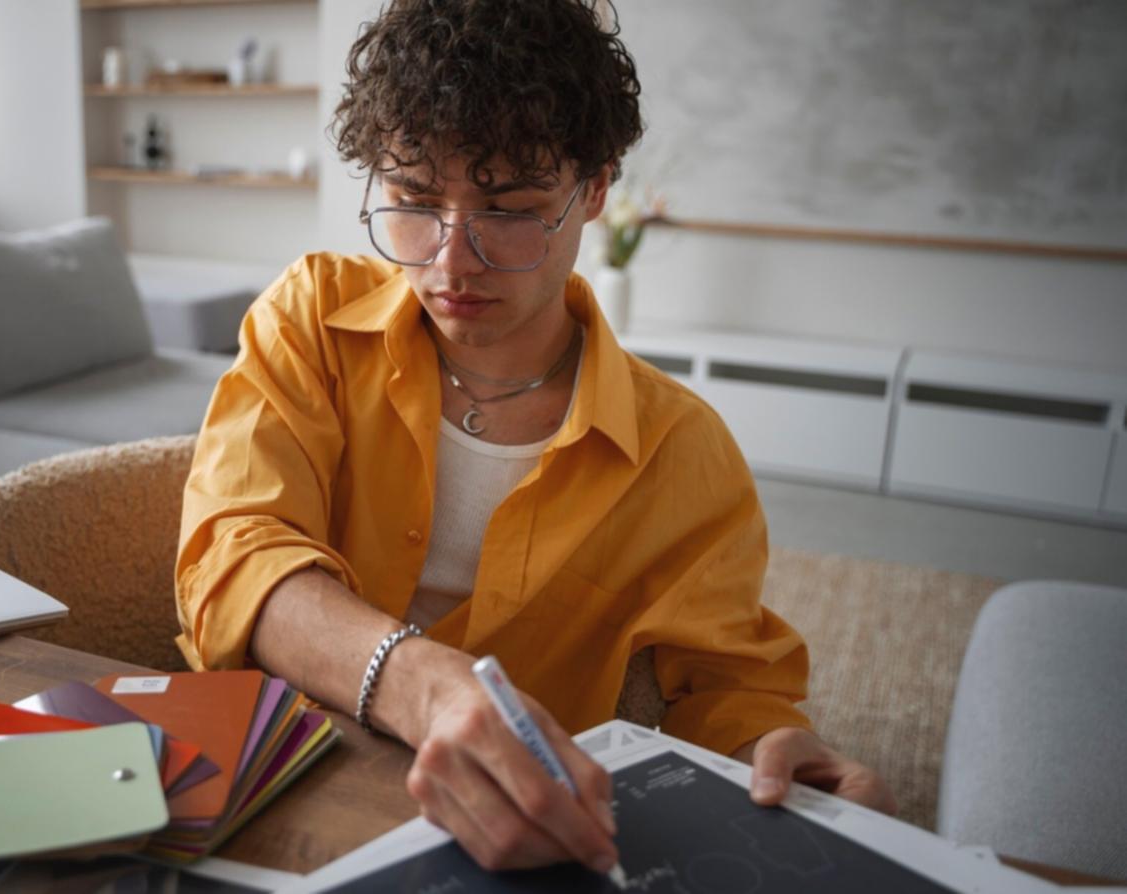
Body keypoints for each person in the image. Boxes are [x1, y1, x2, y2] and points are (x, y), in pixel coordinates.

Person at [175, 0, 896, 876]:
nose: (450, 262)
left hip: (511, 838)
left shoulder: (678, 448)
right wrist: (419, 684)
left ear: (594, 190)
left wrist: (775, 756)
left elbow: (730, 690)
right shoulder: (312, 321)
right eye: (412, 202)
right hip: (268, 785)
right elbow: (232, 552)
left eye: (510, 210)